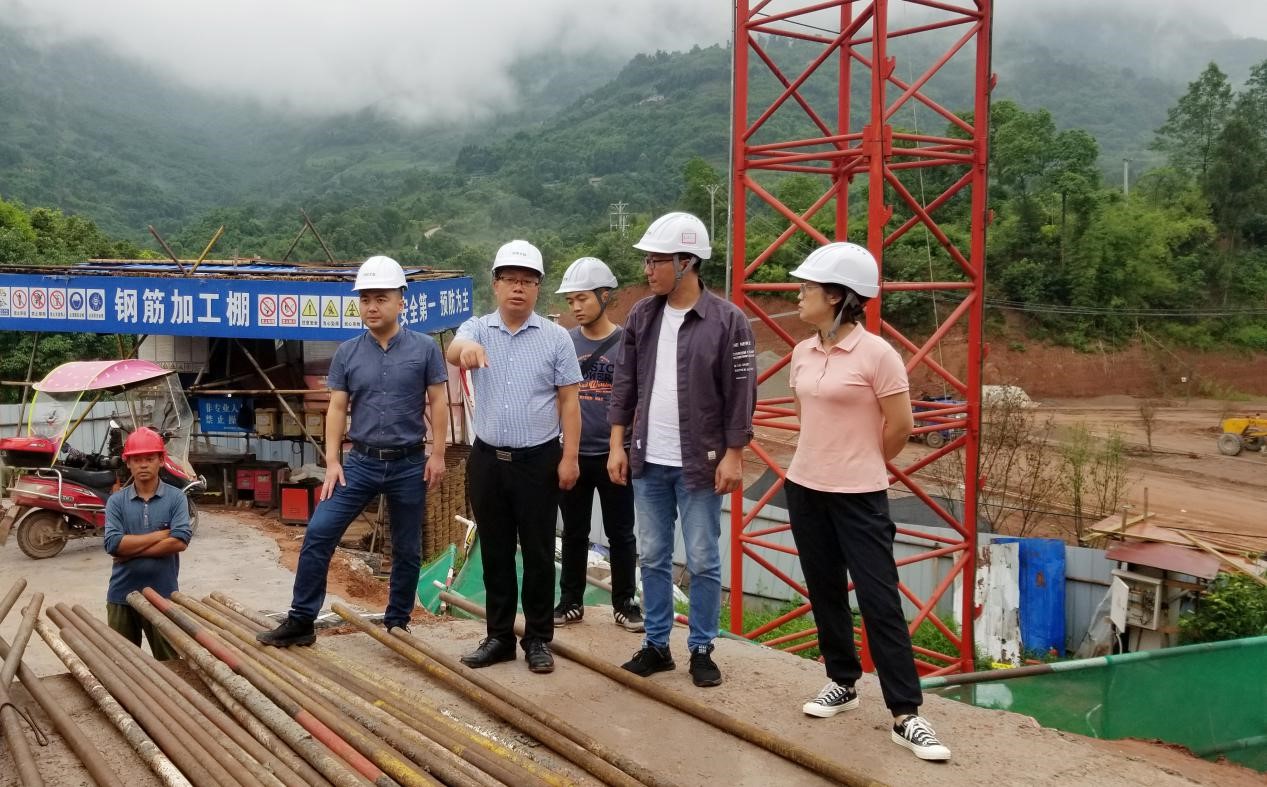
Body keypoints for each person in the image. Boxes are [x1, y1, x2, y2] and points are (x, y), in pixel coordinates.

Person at [784, 242, 951, 761]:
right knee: (825, 589)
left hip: (859, 494)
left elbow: (900, 426)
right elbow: (806, 416)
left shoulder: (878, 355)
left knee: (879, 600)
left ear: (837, 296)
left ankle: (906, 713)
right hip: (805, 486)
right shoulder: (802, 352)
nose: (799, 294)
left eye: (808, 287)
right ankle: (842, 681)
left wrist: (860, 461)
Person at [258, 255, 449, 647]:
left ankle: (397, 623)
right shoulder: (347, 352)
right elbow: (337, 408)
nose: (371, 306)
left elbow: (438, 401)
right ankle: (302, 620)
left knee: (407, 547)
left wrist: (438, 454)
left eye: (381, 298)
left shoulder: (425, 348)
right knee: (319, 532)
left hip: (409, 462)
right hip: (359, 463)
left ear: (401, 301)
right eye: (365, 299)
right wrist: (331, 461)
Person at [608, 212, 756, 687]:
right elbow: (625, 384)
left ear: (686, 262)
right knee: (652, 556)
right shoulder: (642, 315)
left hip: (701, 464)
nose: (648, 270)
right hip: (649, 460)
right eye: (648, 261)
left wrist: (734, 454)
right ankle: (656, 645)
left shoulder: (728, 321)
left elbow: (741, 392)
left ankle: (702, 648)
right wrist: (617, 443)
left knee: (703, 559)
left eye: (657, 261)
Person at [447, 240, 582, 674]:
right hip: (487, 460)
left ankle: (538, 639)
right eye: (510, 279)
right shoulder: (478, 328)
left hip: (538, 461)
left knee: (539, 554)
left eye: (527, 281)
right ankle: (500, 637)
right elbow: (454, 348)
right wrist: (465, 352)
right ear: (496, 284)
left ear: (538, 287)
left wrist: (570, 457)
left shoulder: (556, 338)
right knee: (496, 552)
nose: (518, 288)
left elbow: (570, 401)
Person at [553, 257, 643, 632]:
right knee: (573, 531)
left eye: (583, 298)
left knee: (621, 532)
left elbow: (636, 398)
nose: (575, 307)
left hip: (614, 453)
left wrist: (626, 447)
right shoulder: (564, 342)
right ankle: (571, 601)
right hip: (573, 453)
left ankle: (624, 602)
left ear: (605, 296)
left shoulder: (627, 344)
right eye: (570, 300)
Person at [103, 427, 192, 660]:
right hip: (122, 596)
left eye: (149, 458)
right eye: (137, 459)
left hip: (164, 595)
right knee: (122, 664)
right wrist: (162, 535)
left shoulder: (176, 498)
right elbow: (113, 544)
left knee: (171, 664)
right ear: (128, 463)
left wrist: (131, 552)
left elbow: (180, 541)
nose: (143, 465)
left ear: (161, 460)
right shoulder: (116, 501)